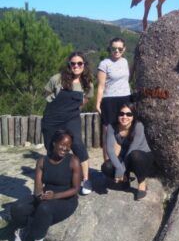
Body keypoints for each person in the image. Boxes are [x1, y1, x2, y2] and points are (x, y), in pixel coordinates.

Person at [10, 130, 81, 241]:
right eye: (62, 144)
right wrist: (39, 196)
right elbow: (38, 187)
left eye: (68, 146)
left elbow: (76, 189)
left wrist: (55, 196)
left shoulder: (73, 161)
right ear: (54, 143)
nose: (65, 148)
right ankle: (22, 229)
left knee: (44, 209)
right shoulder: (42, 161)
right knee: (18, 207)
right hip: (46, 197)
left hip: (66, 199)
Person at [41, 51, 94, 195]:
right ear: (69, 64)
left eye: (79, 63)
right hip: (52, 118)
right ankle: (54, 180)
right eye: (73, 63)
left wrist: (73, 109)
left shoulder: (87, 84)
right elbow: (46, 92)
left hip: (71, 118)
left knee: (77, 144)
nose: (76, 66)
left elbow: (85, 101)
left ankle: (86, 179)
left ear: (84, 65)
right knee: (52, 148)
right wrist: (54, 101)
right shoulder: (57, 79)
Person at [100, 103, 154, 200]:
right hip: (126, 156)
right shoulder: (112, 127)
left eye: (129, 114)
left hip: (142, 157)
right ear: (117, 115)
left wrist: (121, 168)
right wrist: (118, 167)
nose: (124, 117)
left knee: (135, 155)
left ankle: (141, 183)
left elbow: (132, 149)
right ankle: (125, 178)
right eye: (121, 114)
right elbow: (110, 150)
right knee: (106, 167)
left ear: (133, 116)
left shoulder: (138, 126)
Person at [95, 37, 131, 160]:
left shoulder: (125, 61)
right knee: (108, 134)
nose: (117, 51)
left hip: (125, 99)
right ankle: (108, 165)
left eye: (120, 49)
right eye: (114, 48)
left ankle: (120, 161)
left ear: (124, 49)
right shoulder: (104, 64)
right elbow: (100, 86)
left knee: (123, 132)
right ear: (110, 48)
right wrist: (98, 103)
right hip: (109, 100)